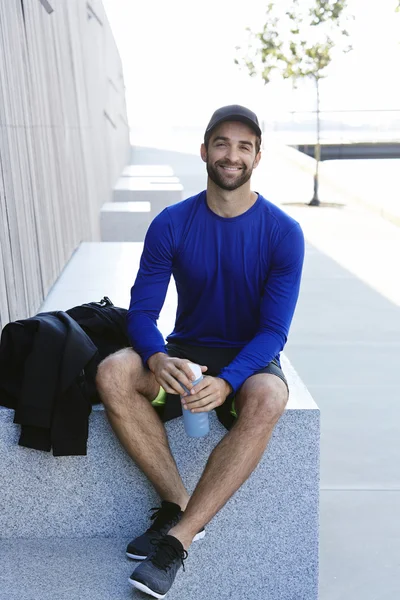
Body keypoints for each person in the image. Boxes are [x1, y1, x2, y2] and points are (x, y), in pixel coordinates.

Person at [96, 104, 305, 599]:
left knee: (271, 398)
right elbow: (142, 314)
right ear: (205, 150)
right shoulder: (172, 223)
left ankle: (177, 541)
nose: (232, 155)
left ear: (257, 157)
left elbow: (274, 330)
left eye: (244, 146)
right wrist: (155, 357)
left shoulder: (282, 233)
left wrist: (230, 380)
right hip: (185, 351)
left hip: (249, 360)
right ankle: (180, 504)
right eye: (222, 144)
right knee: (113, 371)